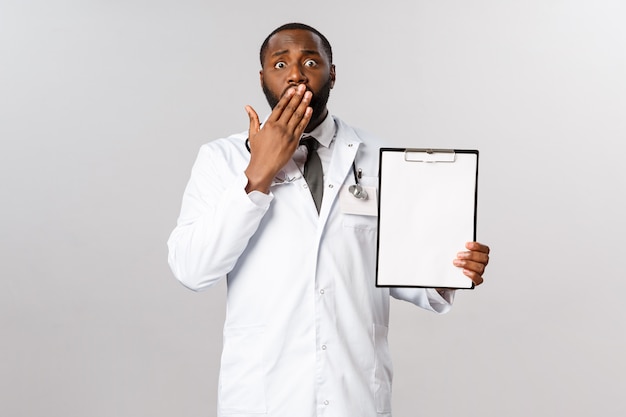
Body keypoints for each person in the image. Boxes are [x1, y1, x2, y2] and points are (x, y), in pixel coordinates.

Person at [167, 22, 490, 417]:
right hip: (263, 396)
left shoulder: (379, 157)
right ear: (263, 77)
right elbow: (191, 268)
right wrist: (258, 175)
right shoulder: (222, 159)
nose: (296, 73)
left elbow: (393, 267)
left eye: (310, 61)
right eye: (280, 63)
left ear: (332, 73)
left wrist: (451, 268)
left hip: (353, 394)